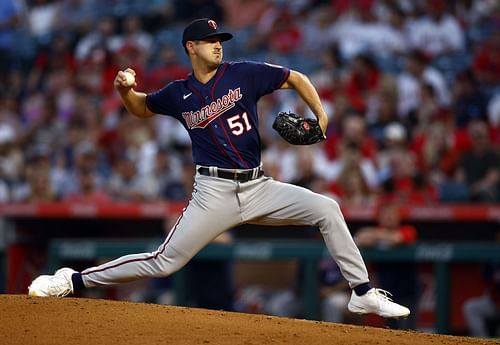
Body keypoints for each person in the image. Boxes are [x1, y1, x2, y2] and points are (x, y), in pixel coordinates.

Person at [28, 18, 410, 319]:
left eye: (221, 39)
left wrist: (322, 119)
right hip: (213, 192)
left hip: (259, 187)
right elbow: (141, 107)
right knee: (165, 262)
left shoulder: (243, 73)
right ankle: (71, 279)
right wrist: (124, 90)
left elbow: (297, 78)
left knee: (327, 208)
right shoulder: (179, 94)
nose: (218, 45)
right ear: (190, 47)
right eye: (211, 40)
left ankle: (362, 294)